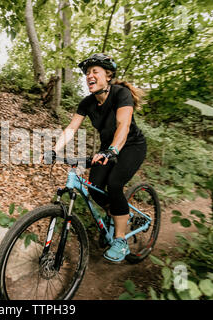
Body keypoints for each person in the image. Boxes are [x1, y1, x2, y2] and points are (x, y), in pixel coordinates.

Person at [51, 53, 147, 262]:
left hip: (131, 146)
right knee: (93, 187)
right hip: (107, 148)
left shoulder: (121, 94)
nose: (89, 76)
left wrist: (112, 150)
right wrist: (54, 150)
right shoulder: (87, 103)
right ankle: (116, 215)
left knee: (114, 184)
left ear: (108, 75)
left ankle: (120, 241)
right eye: (87, 73)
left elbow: (124, 125)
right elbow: (71, 128)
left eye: (95, 71)